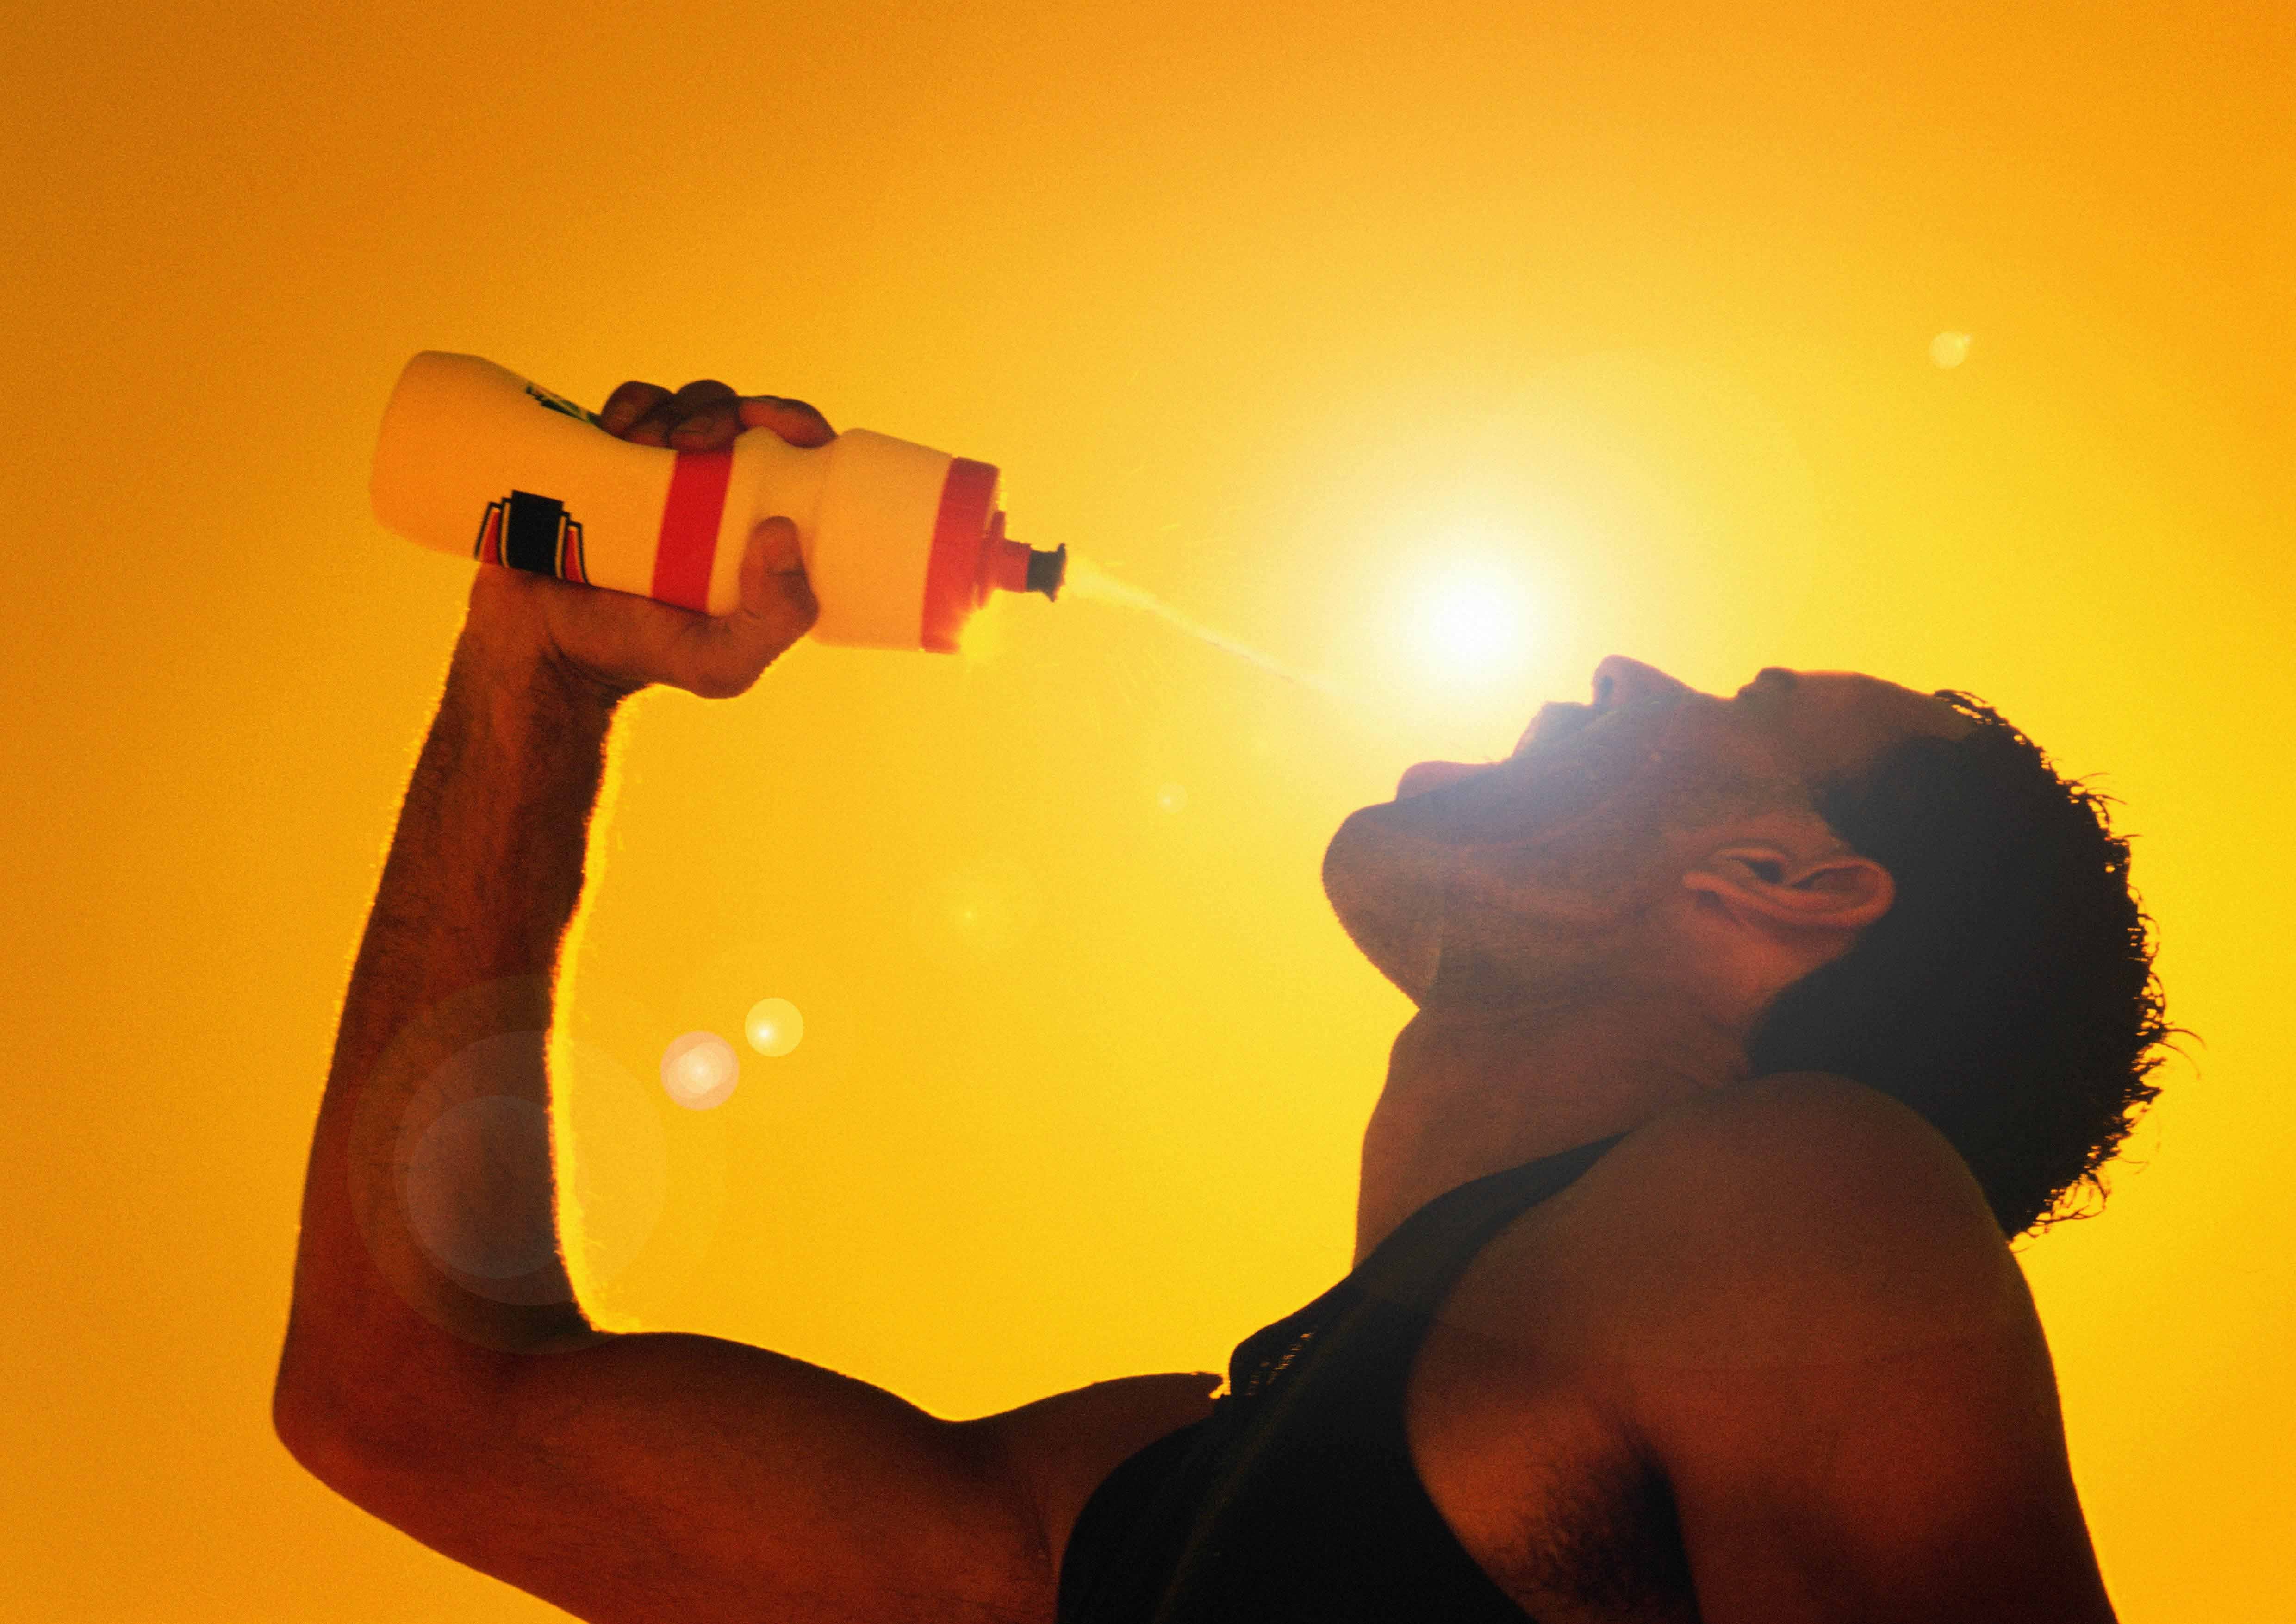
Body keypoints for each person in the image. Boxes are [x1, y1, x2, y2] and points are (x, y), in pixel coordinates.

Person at [275, 375, 2164, 1623]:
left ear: (1785, 887)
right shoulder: (1130, 1506)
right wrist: (536, 680)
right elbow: (417, 1404)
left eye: (1740, 712)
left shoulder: (1798, 1210)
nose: (1616, 664)